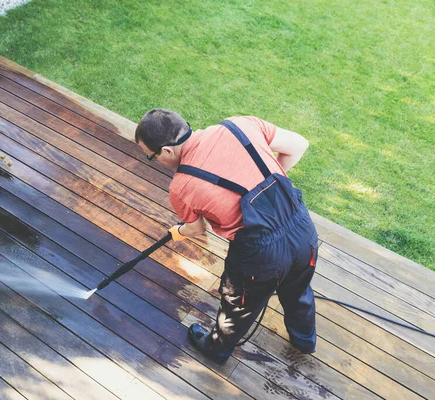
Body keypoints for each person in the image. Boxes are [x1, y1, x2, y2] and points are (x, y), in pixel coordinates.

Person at [135, 109, 318, 363]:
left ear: (166, 151)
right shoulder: (240, 124)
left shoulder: (181, 186)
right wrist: (271, 186)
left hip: (260, 255)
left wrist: (177, 232)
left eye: (151, 156)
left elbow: (197, 229)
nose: (154, 160)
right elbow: (299, 145)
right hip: (302, 227)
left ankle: (216, 349)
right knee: (298, 289)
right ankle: (305, 340)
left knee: (238, 304)